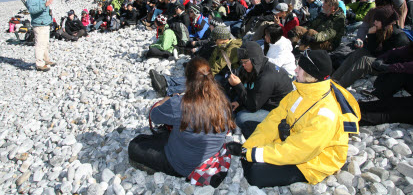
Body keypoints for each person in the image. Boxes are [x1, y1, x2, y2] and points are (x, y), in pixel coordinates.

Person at [226, 50, 360, 188]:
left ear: (311, 75)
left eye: (300, 68)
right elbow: (273, 120)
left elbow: (299, 150)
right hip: (293, 138)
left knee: (255, 174)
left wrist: (250, 154)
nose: (295, 69)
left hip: (315, 159)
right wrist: (247, 148)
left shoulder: (326, 114)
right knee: (250, 128)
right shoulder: (301, 91)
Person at [129, 57, 235, 187]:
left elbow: (154, 116)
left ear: (188, 80)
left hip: (182, 164)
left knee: (136, 145)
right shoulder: (223, 100)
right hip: (210, 156)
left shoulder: (181, 103)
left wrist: (167, 99)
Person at [332, 5, 409, 88]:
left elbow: (390, 58)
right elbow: (371, 49)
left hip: (388, 67)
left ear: (385, 22)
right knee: (360, 52)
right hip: (380, 59)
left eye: (377, 20)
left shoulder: (399, 37)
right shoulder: (381, 30)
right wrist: (371, 35)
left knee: (365, 60)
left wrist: (371, 36)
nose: (374, 22)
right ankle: (334, 79)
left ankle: (339, 87)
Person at [228, 41, 293, 138]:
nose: (243, 65)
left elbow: (253, 106)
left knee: (241, 118)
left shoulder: (266, 77)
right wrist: (239, 101)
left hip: (277, 111)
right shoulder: (259, 67)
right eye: (242, 62)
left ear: (255, 60)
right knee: (236, 108)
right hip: (265, 101)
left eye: (245, 62)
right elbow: (252, 90)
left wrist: (238, 85)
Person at [25, 0, 55, 72]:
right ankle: (39, 64)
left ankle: (46, 60)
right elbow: (32, 10)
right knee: (40, 44)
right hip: (39, 25)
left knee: (45, 43)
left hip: (44, 24)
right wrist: (45, 5)